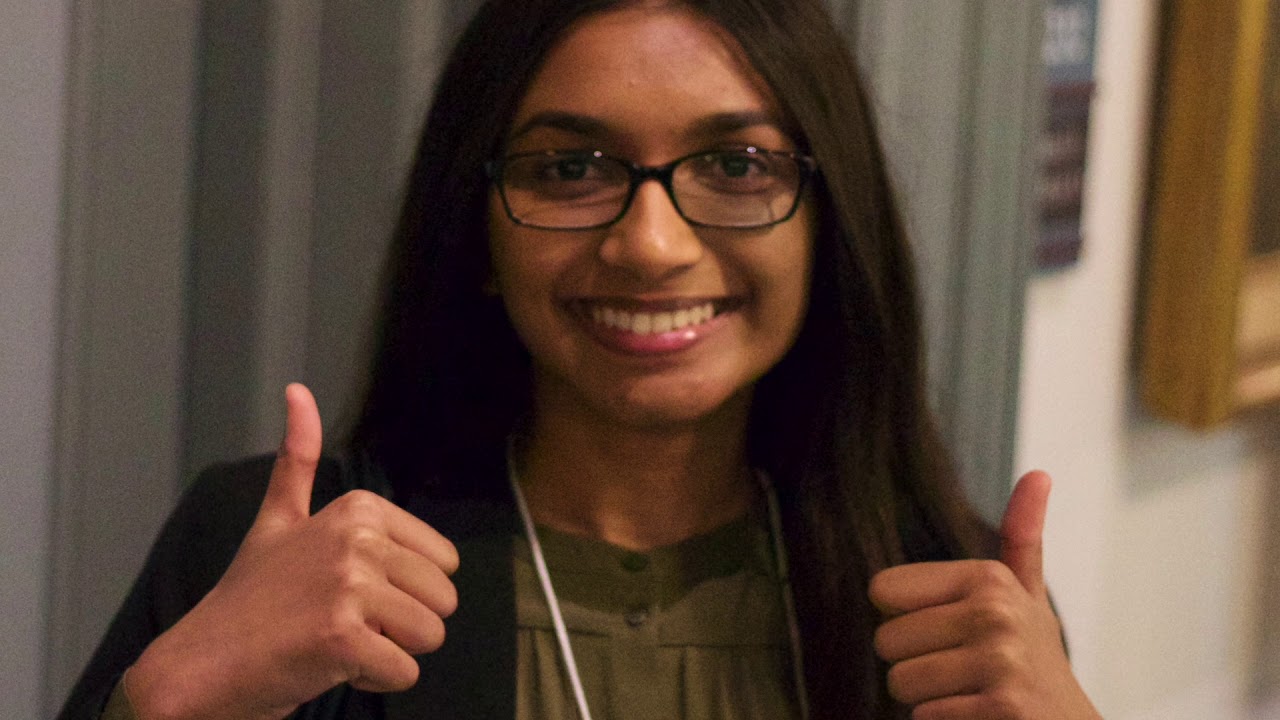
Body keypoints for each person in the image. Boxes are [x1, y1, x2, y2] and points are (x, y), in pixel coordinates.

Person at [59, 1, 1103, 718]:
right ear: (476, 229)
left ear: (829, 224)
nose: (650, 244)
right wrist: (168, 703)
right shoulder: (289, 565)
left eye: (737, 164)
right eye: (569, 168)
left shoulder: (947, 609)